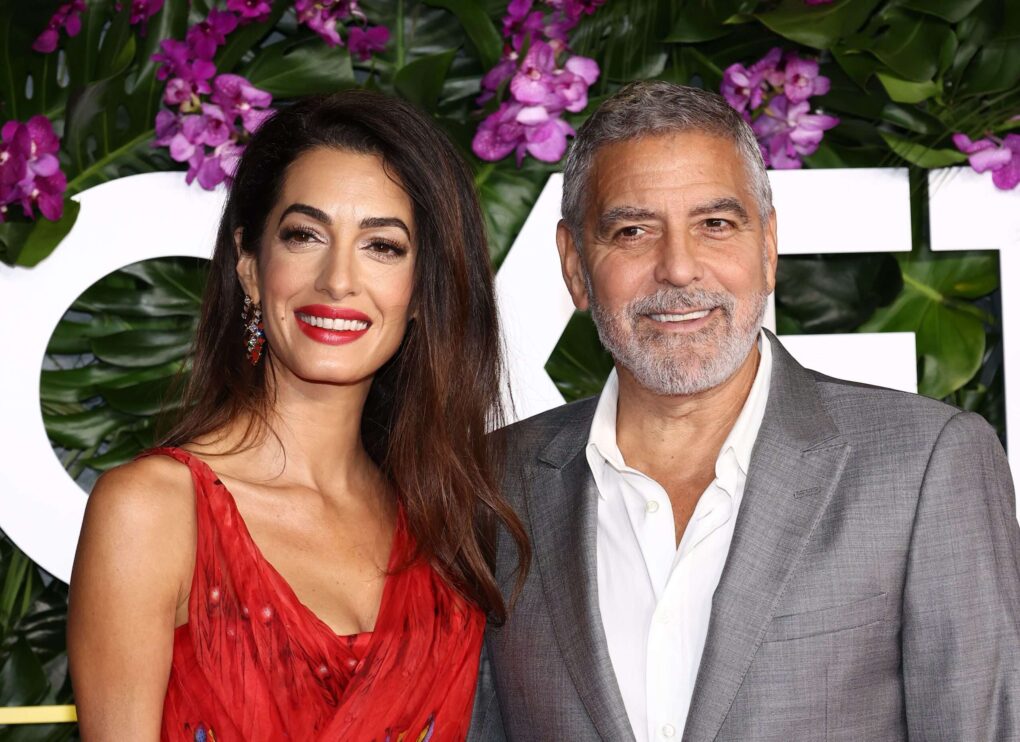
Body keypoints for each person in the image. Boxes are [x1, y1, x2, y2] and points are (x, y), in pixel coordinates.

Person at [472, 81, 1020, 741]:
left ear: (767, 247)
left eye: (715, 224)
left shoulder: (928, 467)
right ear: (575, 266)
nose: (678, 268)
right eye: (633, 230)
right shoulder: (491, 484)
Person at [67, 91, 528, 741]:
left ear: (423, 290)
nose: (338, 280)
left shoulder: (445, 526)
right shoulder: (151, 511)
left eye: (383, 246)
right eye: (305, 235)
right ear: (251, 266)